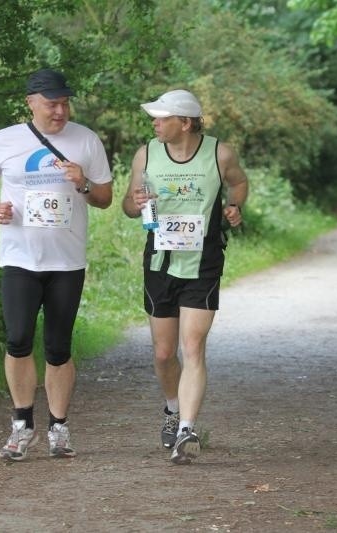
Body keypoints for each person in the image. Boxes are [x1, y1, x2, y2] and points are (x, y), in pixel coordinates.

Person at [0, 68, 113, 461]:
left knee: (58, 346)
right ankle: (21, 425)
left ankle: (59, 428)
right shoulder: (5, 140)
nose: (60, 111)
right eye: (52, 103)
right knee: (17, 339)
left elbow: (105, 197)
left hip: (66, 261)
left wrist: (83, 183)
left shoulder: (85, 140)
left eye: (65, 103)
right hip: (19, 258)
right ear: (31, 102)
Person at [121, 89, 248, 465]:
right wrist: (136, 203)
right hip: (160, 260)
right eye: (155, 118)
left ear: (186, 122)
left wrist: (234, 205)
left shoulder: (219, 153)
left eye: (162, 118)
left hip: (203, 261)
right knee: (164, 353)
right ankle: (172, 408)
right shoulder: (146, 153)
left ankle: (187, 430)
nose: (155, 123)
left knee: (192, 348)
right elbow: (129, 205)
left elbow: (239, 183)